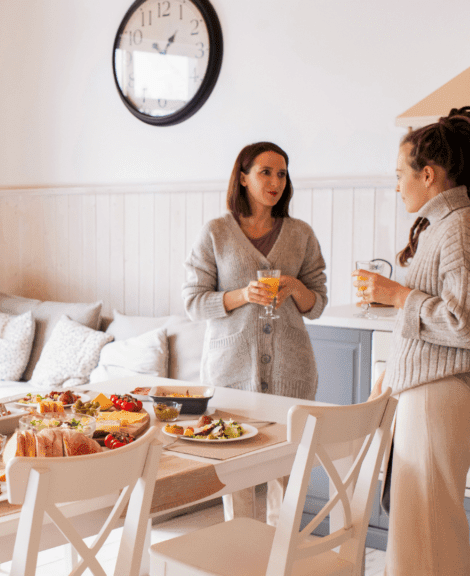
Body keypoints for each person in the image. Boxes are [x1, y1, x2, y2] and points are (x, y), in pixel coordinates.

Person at [358, 106, 470, 576]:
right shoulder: (447, 226)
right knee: (424, 528)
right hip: (431, 390)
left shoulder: (460, 227)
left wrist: (399, 294)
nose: (397, 183)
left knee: (425, 529)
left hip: (441, 394)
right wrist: (392, 374)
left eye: (400, 173)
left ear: (427, 174)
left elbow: (467, 324)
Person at [182, 141, 328, 524]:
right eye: (266, 172)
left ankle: (282, 559)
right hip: (231, 373)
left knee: (287, 472)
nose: (275, 181)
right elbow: (194, 303)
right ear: (243, 177)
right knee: (238, 473)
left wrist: (297, 288)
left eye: (282, 173)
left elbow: (319, 302)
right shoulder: (216, 232)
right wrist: (241, 296)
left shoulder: (301, 234)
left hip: (290, 374)